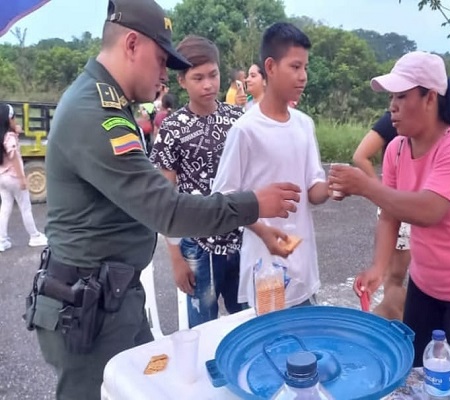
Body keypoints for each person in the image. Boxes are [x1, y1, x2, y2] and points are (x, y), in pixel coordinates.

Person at [31, 1, 300, 399]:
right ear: (132, 44)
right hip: (88, 308)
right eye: (160, 60)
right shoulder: (96, 113)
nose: (163, 74)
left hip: (111, 296)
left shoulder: (109, 106)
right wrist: (254, 204)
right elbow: (168, 209)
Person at [329, 51, 450, 374]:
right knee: (417, 370)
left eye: (402, 96)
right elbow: (390, 213)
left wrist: (365, 185)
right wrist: (378, 267)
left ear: (430, 98)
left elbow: (430, 210)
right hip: (424, 283)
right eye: (392, 97)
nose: (393, 107)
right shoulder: (397, 149)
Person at [212, 22, 329, 310]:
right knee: (273, 348)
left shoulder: (304, 124)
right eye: (295, 66)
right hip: (266, 269)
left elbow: (313, 189)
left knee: (306, 348)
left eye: (305, 68)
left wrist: (336, 187)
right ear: (271, 67)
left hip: (303, 266)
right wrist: (264, 232)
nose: (303, 76)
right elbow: (224, 200)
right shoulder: (245, 130)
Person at [150, 35, 246, 327]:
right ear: (182, 81)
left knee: (247, 321)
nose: (208, 84)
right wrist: (175, 258)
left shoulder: (237, 119)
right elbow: (165, 198)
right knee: (202, 329)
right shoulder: (173, 127)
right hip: (197, 246)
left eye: (213, 75)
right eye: (198, 77)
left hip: (242, 239)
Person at [352, 110, 410, 321]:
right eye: (396, 96)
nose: (396, 104)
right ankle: (394, 333)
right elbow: (360, 156)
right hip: (396, 211)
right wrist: (383, 192)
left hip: (422, 207)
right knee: (394, 279)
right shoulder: (393, 118)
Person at [0, 103, 48, 251]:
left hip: (2, 177)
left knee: (6, 207)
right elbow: (13, 157)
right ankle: (34, 236)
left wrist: (16, 131)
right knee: (25, 207)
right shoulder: (9, 137)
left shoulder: (4, 135)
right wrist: (22, 178)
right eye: (14, 118)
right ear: (9, 120)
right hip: (14, 177)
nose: (16, 121)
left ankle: (2, 240)